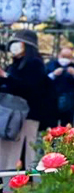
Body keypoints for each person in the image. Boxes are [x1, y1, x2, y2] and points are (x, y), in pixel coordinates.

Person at [0, 30, 57, 168]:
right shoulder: (14, 65)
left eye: (18, 43)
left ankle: (25, 184)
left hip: (28, 116)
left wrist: (6, 77)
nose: (14, 47)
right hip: (11, 116)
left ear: (27, 46)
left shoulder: (34, 64)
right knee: (6, 154)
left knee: (23, 154)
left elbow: (28, 88)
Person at [46, 46, 74, 128]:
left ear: (71, 58)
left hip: (69, 102)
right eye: (63, 56)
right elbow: (44, 80)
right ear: (59, 55)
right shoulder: (50, 65)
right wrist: (53, 74)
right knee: (51, 126)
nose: (65, 59)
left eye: (68, 57)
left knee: (67, 127)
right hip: (52, 101)